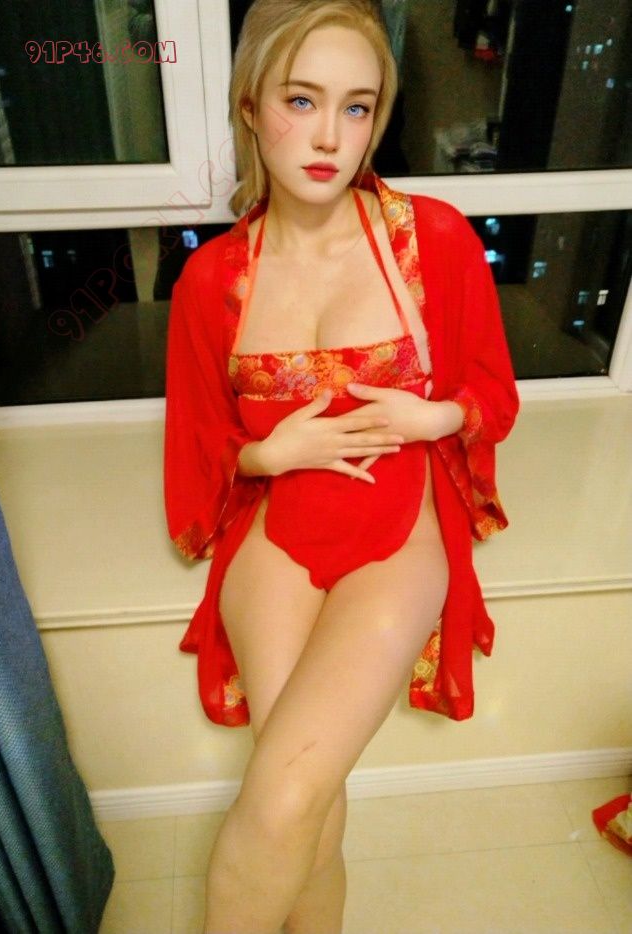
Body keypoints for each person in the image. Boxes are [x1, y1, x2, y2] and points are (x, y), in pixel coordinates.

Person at [163, 1, 520, 930]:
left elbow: (494, 391)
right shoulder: (211, 280)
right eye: (301, 100)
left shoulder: (433, 239)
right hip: (277, 536)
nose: (329, 136)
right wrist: (267, 451)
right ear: (250, 108)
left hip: (398, 535)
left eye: (356, 107)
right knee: (305, 802)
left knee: (286, 791)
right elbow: (198, 441)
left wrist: (436, 413)